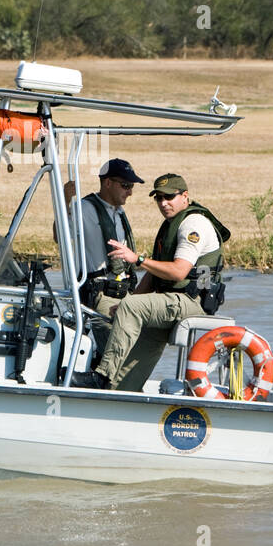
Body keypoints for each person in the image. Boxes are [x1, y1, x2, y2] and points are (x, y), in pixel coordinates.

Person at [71, 173, 230, 392]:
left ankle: (101, 375)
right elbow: (154, 276)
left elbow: (178, 272)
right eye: (158, 198)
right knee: (121, 383)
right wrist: (128, 302)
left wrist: (137, 259)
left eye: (169, 197)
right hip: (170, 301)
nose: (163, 203)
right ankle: (116, 394)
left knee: (131, 308)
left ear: (185, 196)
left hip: (192, 301)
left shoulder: (193, 225)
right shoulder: (171, 225)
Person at [63, 159, 145, 321]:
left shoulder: (119, 212)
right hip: (101, 294)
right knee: (114, 342)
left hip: (124, 291)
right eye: (125, 186)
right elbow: (60, 236)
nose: (130, 192)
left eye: (131, 187)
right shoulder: (84, 208)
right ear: (108, 183)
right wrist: (66, 202)